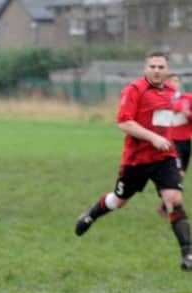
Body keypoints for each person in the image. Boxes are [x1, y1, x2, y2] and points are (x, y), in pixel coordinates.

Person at [75, 51, 192, 271]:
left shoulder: (171, 93)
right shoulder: (134, 90)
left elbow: (171, 117)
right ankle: (93, 212)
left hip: (164, 158)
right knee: (119, 201)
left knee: (174, 200)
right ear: (145, 68)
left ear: (167, 70)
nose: (157, 71)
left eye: (161, 67)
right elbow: (124, 123)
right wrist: (154, 137)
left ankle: (188, 255)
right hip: (136, 160)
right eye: (153, 67)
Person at [157, 73, 192, 217]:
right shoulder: (162, 99)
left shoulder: (188, 98)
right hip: (172, 142)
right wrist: (177, 108)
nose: (174, 83)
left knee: (181, 175)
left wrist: (188, 114)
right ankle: (170, 204)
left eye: (177, 81)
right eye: (171, 81)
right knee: (178, 174)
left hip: (185, 142)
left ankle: (164, 205)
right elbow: (159, 118)